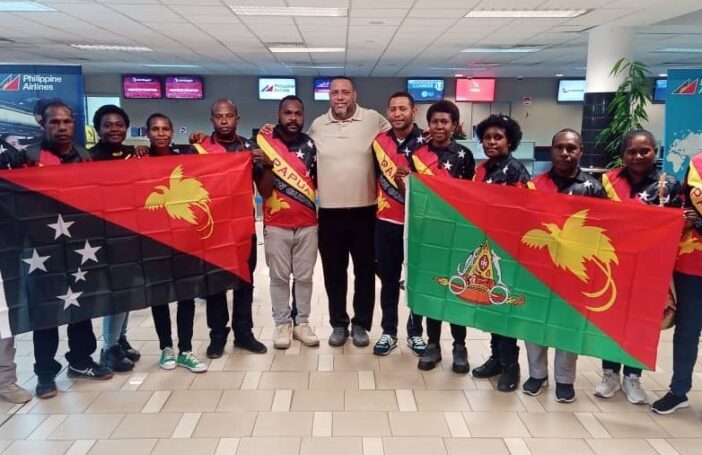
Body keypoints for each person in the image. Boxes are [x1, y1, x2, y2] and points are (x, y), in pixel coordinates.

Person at [0, 100, 113, 399]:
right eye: (54, 122)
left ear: (74, 123)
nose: (62, 127)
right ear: (43, 124)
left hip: (80, 248)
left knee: (82, 307)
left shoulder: (85, 158)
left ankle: (80, 360)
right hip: (42, 251)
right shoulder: (27, 159)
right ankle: (45, 373)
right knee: (46, 314)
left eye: (67, 122)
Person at [597, 129, 682, 405]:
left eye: (644, 150)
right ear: (622, 155)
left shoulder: (668, 185)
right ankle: (609, 373)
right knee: (611, 319)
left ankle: (633, 376)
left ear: (655, 152)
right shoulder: (606, 182)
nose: (637, 156)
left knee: (641, 323)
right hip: (613, 263)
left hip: (650, 267)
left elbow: (679, 222)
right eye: (631, 151)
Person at [524, 129, 607, 403]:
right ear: (551, 150)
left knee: (568, 324)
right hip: (539, 269)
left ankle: (564, 379)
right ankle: (537, 374)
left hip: (575, 268)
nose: (565, 153)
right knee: (536, 322)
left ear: (580, 150)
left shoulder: (594, 188)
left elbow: (608, 228)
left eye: (571, 148)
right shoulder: (534, 185)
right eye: (559, 147)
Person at [308, 76, 390, 347]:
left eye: (345, 92)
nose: (340, 97)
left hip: (365, 211)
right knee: (334, 272)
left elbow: (396, 143)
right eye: (334, 93)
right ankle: (339, 324)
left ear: (355, 94)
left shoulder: (373, 120)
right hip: (329, 214)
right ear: (329, 97)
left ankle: (361, 325)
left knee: (365, 272)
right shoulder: (318, 125)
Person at [190, 98, 268, 357]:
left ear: (238, 118)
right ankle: (218, 336)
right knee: (215, 285)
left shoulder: (249, 147)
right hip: (212, 230)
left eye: (229, 116)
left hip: (244, 229)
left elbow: (265, 188)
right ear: (211, 119)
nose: (224, 120)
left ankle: (244, 334)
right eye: (219, 116)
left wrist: (265, 163)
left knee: (245, 283)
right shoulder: (200, 149)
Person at [411, 100, 475, 373]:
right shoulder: (417, 154)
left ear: (455, 126)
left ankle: (459, 346)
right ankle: (433, 344)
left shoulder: (464, 155)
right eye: (435, 121)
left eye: (445, 122)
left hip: (456, 233)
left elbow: (471, 195)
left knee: (457, 289)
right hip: (427, 234)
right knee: (433, 290)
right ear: (429, 124)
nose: (439, 126)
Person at [471, 113, 531, 392]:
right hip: (486, 246)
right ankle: (495, 357)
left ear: (511, 140)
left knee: (505, 308)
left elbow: (524, 213)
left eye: (498, 137)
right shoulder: (482, 170)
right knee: (490, 305)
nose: (491, 142)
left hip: (510, 249)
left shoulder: (516, 170)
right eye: (487, 137)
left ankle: (510, 365)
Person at [256, 96, 320, 349]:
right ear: (278, 114)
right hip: (276, 223)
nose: (292, 118)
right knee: (279, 278)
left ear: (303, 116)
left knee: (305, 277)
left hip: (307, 223)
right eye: (287, 113)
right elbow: (263, 191)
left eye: (297, 113)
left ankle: (302, 322)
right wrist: (270, 166)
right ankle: (282, 324)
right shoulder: (264, 143)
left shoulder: (312, 145)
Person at [145, 113, 207, 373]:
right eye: (155, 129)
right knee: (159, 296)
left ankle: (185, 349)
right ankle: (165, 348)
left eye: (165, 129)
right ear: (147, 132)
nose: (160, 133)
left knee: (186, 296)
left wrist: (199, 142)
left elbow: (209, 170)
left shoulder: (185, 157)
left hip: (183, 239)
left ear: (172, 132)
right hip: (152, 241)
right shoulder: (138, 161)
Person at [372, 91, 427, 356]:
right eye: (392, 109)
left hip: (418, 224)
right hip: (386, 221)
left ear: (413, 111)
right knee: (389, 280)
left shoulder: (427, 143)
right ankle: (388, 331)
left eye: (403, 108)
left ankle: (416, 333)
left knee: (417, 280)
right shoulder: (379, 142)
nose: (397, 114)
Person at [88, 105, 142, 373]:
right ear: (98, 129)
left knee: (126, 291)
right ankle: (108, 349)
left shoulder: (135, 155)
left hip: (130, 233)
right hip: (103, 235)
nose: (114, 129)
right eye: (108, 125)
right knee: (115, 293)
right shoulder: (88, 158)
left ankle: (120, 339)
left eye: (119, 124)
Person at [651, 152, 702, 414]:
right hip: (691, 266)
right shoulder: (697, 164)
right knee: (686, 333)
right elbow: (681, 204)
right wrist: (681, 220)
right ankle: (679, 390)